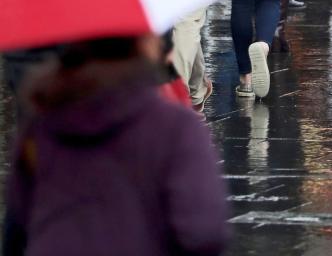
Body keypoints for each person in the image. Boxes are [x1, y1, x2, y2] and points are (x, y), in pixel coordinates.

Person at [3, 36, 229, 255]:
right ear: (145, 47)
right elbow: (204, 232)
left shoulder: (42, 123)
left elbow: (20, 217)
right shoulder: (175, 126)